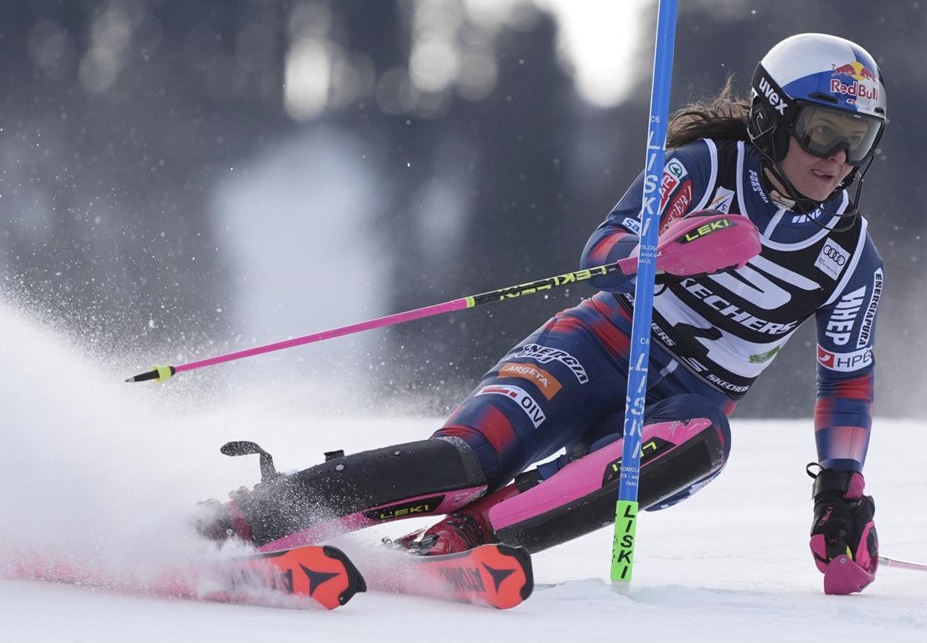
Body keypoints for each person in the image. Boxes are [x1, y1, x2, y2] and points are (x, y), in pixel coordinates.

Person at [199, 33, 887, 594]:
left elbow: (847, 381)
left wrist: (840, 493)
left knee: (700, 443)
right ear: (773, 116)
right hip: (600, 345)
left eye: (856, 141)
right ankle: (245, 520)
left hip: (682, 403)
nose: (835, 159)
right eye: (822, 132)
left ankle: (460, 544)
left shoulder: (851, 257)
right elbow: (607, 246)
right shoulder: (704, 168)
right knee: (467, 463)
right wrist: (664, 253)